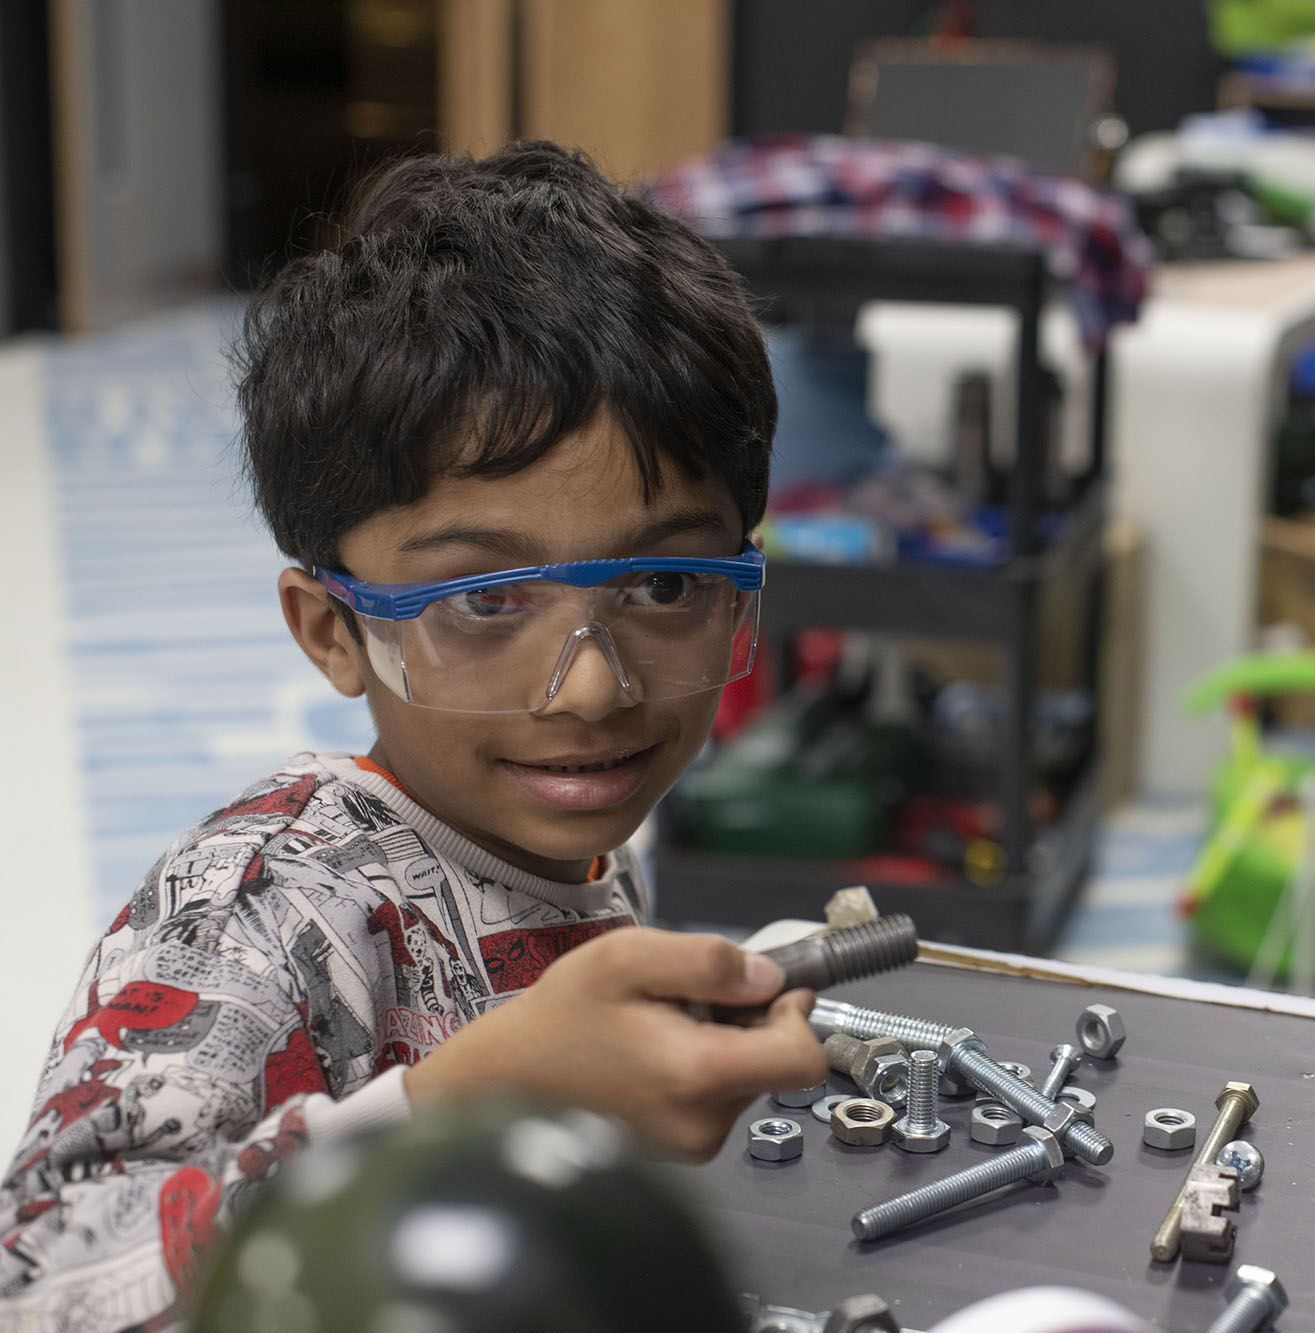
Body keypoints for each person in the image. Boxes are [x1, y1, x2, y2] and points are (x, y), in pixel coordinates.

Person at [0, 142, 827, 1330]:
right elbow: (37, 1284)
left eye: (662, 588)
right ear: (333, 629)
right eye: (484, 601)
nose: (590, 690)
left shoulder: (566, 836)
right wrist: (462, 1100)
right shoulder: (256, 912)